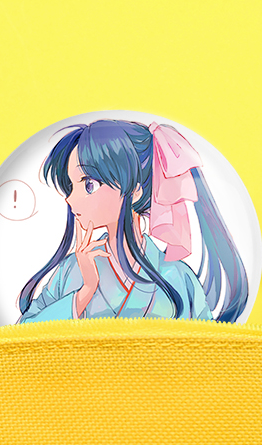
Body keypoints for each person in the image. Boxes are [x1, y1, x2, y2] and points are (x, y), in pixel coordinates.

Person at [17, 119, 248, 323]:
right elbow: (24, 334)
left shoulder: (177, 277)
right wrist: (84, 292)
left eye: (88, 185)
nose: (69, 199)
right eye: (70, 185)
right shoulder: (73, 270)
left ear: (135, 191)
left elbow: (208, 346)